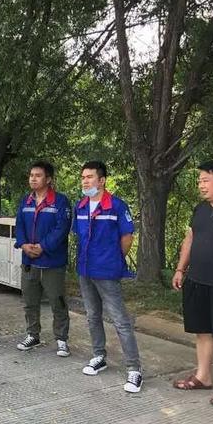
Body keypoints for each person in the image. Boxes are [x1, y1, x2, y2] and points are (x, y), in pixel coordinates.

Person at [72, 161, 142, 393]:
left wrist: (113, 259)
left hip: (107, 271)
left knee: (120, 320)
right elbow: (79, 237)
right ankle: (99, 356)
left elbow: (127, 238)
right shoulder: (80, 206)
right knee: (92, 315)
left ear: (102, 180)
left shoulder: (116, 206)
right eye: (83, 177)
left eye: (90, 177)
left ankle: (134, 369)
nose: (85, 181)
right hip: (85, 270)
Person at [14, 161, 71, 357]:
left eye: (38, 176)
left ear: (48, 179)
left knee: (57, 301)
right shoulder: (26, 201)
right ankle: (33, 334)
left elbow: (61, 229)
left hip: (52, 262)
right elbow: (19, 225)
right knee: (30, 301)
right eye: (31, 175)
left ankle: (61, 339)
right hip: (29, 260)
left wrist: (42, 246)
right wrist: (23, 244)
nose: (33, 179)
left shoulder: (60, 201)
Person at [172, 160, 213, 407]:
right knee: (203, 331)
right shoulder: (200, 209)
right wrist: (181, 269)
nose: (201, 185)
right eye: (199, 181)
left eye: (205, 180)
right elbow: (189, 239)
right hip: (198, 280)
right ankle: (203, 377)